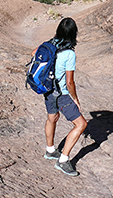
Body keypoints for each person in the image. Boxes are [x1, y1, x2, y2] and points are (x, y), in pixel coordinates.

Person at [35, 17, 87, 176]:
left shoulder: (50, 44)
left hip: (48, 89)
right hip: (61, 94)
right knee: (81, 125)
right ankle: (63, 161)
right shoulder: (69, 53)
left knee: (52, 117)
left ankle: (50, 150)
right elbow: (70, 82)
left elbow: (33, 53)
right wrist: (75, 99)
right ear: (73, 34)